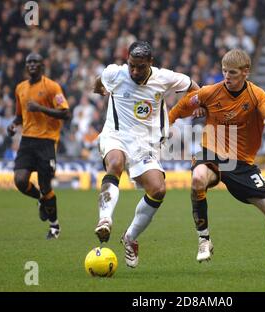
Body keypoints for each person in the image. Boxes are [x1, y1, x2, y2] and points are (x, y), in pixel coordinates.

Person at [168, 49, 265, 273]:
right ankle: (204, 239)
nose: (227, 76)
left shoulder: (257, 95)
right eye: (224, 71)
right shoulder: (210, 92)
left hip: (242, 164)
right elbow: (181, 108)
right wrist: (164, 126)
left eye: (233, 73)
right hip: (212, 153)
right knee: (198, 179)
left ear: (246, 72)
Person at [93, 41, 199, 268]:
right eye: (131, 65)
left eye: (140, 67)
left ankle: (130, 238)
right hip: (116, 135)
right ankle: (105, 219)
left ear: (150, 63)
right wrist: (100, 89)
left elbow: (193, 86)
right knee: (115, 163)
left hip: (145, 145)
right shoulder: (115, 73)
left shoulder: (164, 78)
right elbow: (100, 80)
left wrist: (199, 105)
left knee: (158, 189)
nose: (134, 71)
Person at [7, 53, 70, 240]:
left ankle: (54, 226)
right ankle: (41, 200)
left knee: (45, 185)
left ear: (42, 66)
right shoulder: (20, 88)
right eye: (29, 62)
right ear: (26, 67)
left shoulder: (52, 87)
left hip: (47, 141)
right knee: (19, 180)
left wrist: (41, 108)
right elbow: (20, 115)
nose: (32, 65)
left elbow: (65, 113)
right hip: (27, 140)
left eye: (35, 62)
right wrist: (13, 125)